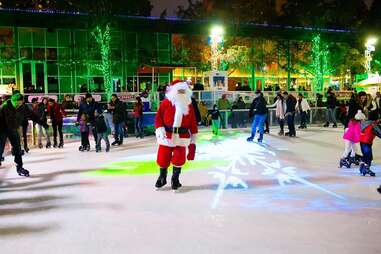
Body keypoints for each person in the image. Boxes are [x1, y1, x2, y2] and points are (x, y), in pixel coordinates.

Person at [154, 80, 198, 190]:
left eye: (184, 90)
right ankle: (162, 177)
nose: (182, 92)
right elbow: (158, 117)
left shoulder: (189, 105)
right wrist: (160, 128)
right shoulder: (166, 102)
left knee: (179, 158)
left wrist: (193, 139)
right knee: (163, 158)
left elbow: (193, 121)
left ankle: (175, 179)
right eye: (179, 90)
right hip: (167, 136)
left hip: (182, 137)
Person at [0, 92, 48, 176]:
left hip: (13, 129)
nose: (18, 105)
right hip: (2, 129)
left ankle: (19, 167)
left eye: (20, 104)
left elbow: (33, 116)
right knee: (0, 148)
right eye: (17, 104)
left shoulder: (23, 107)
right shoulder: (4, 107)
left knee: (18, 149)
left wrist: (43, 123)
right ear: (12, 101)